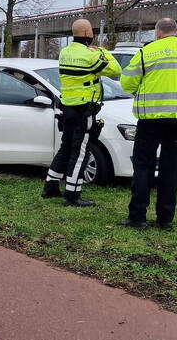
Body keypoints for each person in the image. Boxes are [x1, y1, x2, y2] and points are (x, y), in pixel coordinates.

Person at [120, 18, 177, 230]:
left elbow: (126, 82)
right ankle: (165, 219)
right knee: (170, 166)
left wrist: (141, 91)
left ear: (158, 33)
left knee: (143, 166)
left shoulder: (147, 52)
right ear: (176, 32)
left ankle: (138, 217)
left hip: (151, 119)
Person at [42, 19, 121, 207]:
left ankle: (50, 186)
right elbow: (116, 70)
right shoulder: (90, 56)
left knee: (66, 147)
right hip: (84, 110)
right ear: (88, 34)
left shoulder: (64, 52)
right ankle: (72, 195)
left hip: (67, 108)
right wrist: (101, 50)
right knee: (80, 152)